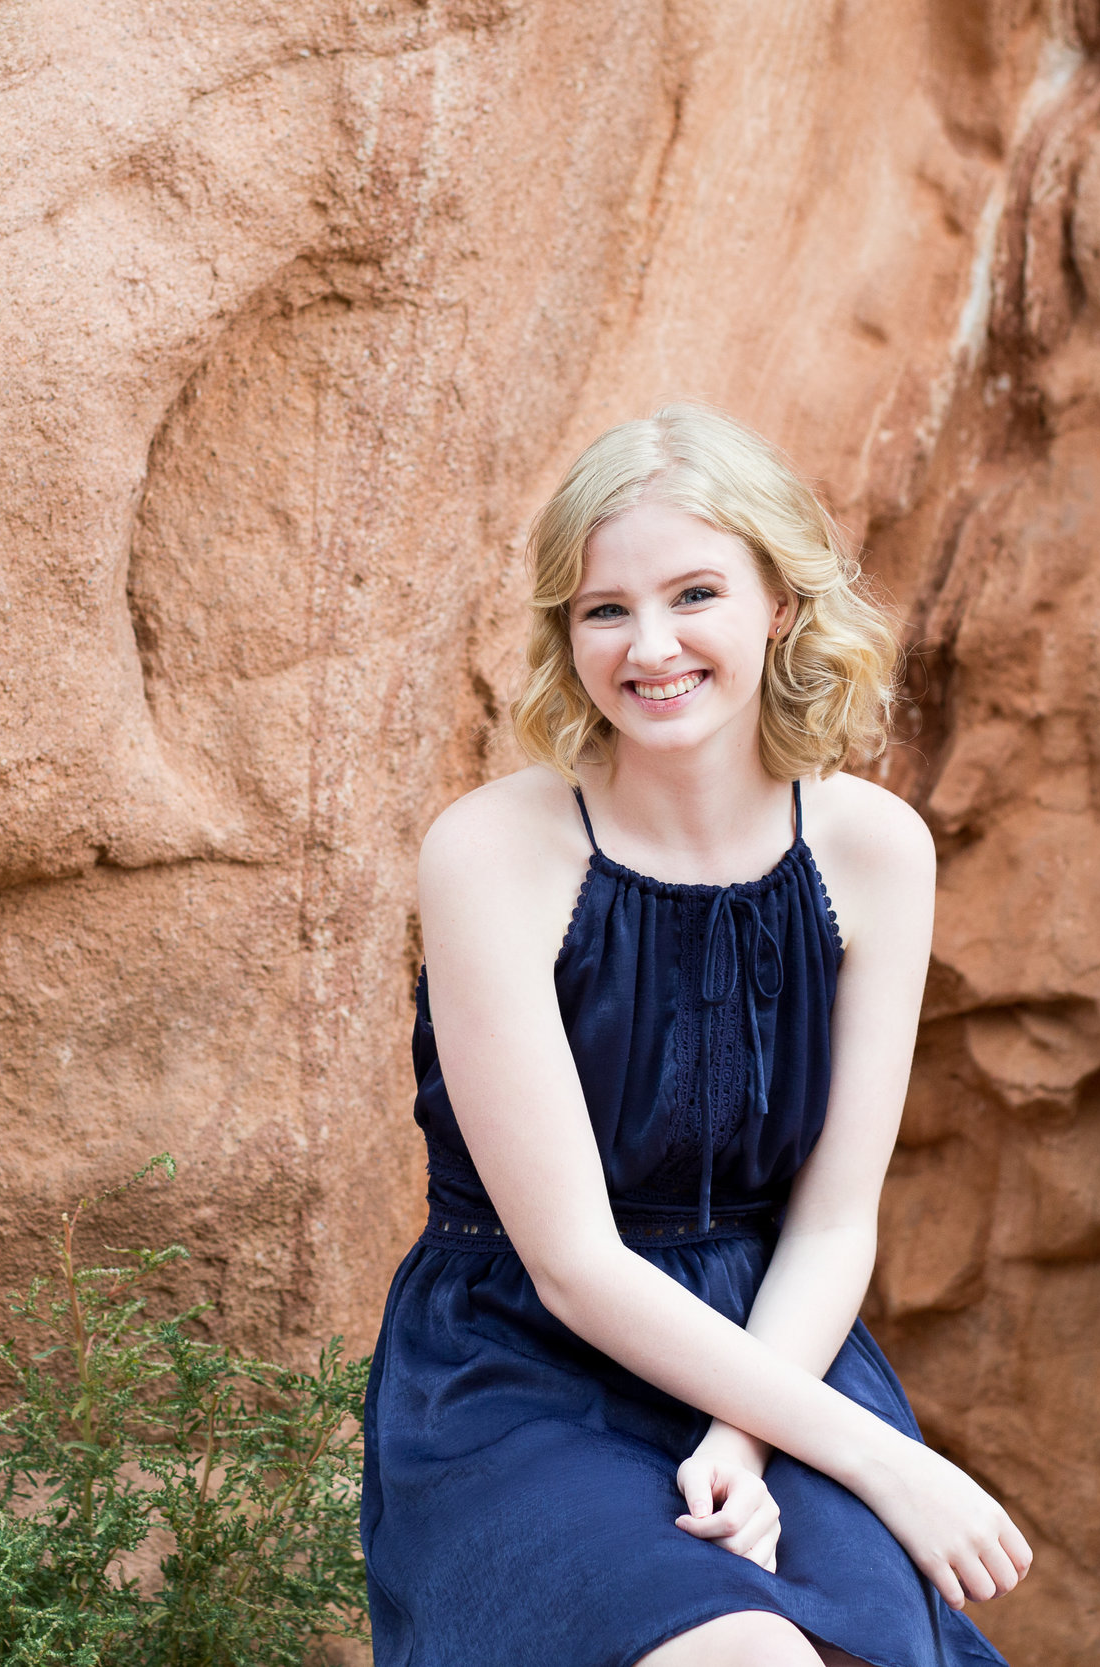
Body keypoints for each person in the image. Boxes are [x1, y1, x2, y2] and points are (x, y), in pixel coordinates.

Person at [360, 403, 1030, 1667]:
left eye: (695, 593)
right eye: (604, 608)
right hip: (518, 1363)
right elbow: (570, 1262)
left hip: (775, 1340)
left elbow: (833, 1221)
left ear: (779, 602)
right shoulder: (493, 853)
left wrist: (742, 1435)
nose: (650, 644)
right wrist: (899, 1466)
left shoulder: (875, 849)